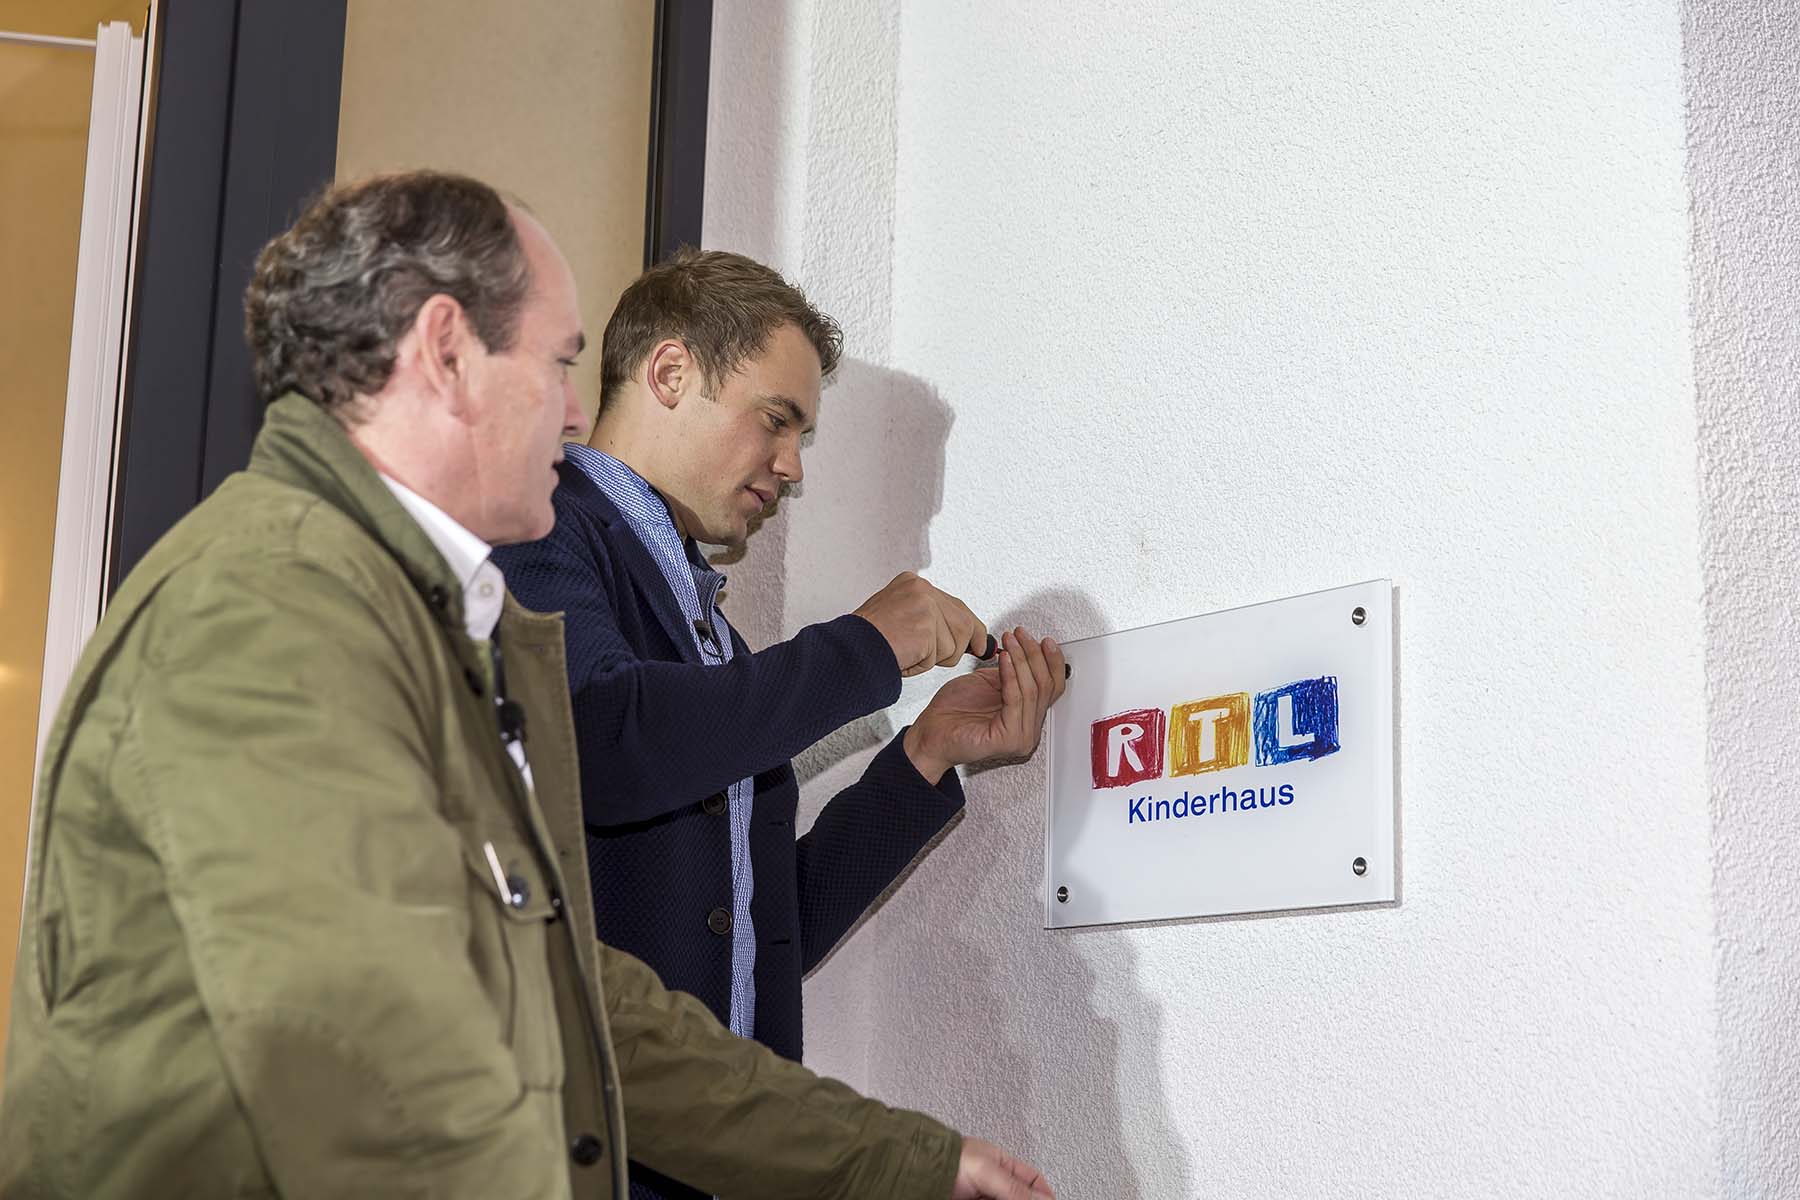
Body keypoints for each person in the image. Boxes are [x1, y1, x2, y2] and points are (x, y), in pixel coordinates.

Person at [0, 171, 1053, 1200]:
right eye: (557, 364)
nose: (572, 416)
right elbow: (353, 1032)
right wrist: (862, 649)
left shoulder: (406, 617)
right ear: (447, 351)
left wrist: (897, 1159)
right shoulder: (270, 606)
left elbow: (564, 989)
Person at [494, 250, 1068, 1199]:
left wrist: (922, 758)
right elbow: (603, 739)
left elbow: (758, 927)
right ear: (669, 373)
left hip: (706, 1158)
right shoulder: (544, 525)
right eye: (776, 421)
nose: (792, 468)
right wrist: (861, 647)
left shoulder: (712, 633)